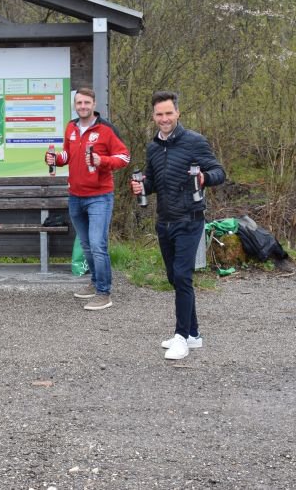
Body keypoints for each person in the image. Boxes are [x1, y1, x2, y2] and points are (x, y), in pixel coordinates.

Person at [130, 91, 225, 360]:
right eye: (159, 114)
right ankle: (193, 334)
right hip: (164, 221)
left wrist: (205, 177)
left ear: (178, 113)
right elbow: (153, 183)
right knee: (174, 277)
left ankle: (181, 337)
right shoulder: (153, 147)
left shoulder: (195, 142)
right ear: (153, 116)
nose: (164, 118)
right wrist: (142, 185)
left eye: (168, 113)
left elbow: (220, 173)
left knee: (183, 276)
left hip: (190, 219)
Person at [46, 87, 130, 310]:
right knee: (86, 245)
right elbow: (67, 155)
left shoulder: (106, 129)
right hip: (75, 196)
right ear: (75, 104)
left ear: (94, 104)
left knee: (97, 244)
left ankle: (104, 293)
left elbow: (124, 157)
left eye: (87, 103)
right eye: (79, 103)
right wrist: (55, 158)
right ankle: (95, 283)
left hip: (99, 197)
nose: (83, 106)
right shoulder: (71, 127)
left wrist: (102, 160)